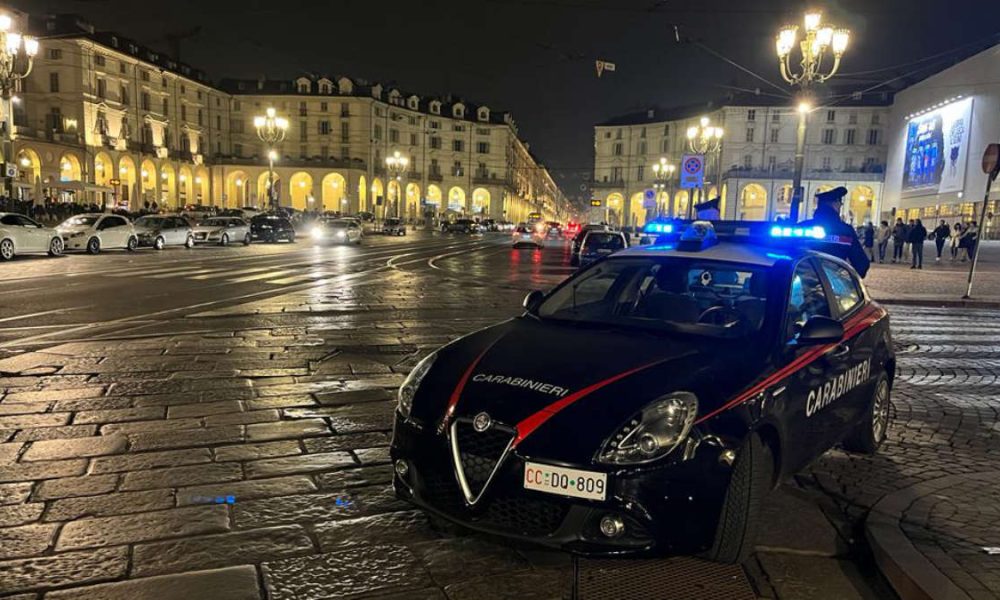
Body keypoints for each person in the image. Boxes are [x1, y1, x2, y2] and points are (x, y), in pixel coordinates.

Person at [797, 186, 870, 277]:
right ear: (835, 204)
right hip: (831, 285)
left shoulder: (802, 227)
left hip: (801, 283)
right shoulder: (845, 231)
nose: (840, 206)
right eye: (840, 203)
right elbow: (862, 264)